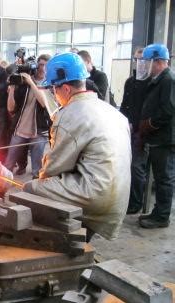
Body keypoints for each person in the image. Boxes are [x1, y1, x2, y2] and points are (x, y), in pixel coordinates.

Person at [23, 52, 131, 240]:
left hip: (97, 197)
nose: (53, 94)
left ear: (65, 88)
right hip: (119, 197)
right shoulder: (113, 112)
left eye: (54, 89)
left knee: (32, 188)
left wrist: (40, 182)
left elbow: (53, 168)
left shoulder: (69, 115)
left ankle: (56, 242)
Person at [135, 44, 175, 229]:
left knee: (164, 178)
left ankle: (162, 217)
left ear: (158, 62)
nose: (145, 67)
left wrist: (149, 124)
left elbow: (168, 109)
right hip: (158, 138)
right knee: (160, 177)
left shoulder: (168, 79)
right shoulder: (159, 79)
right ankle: (158, 212)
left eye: (147, 63)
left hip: (165, 139)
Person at [5, 54, 51, 178]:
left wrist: (31, 83)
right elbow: (11, 108)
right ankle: (2, 185)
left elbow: (44, 103)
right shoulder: (23, 82)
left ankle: (35, 190)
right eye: (40, 64)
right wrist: (12, 89)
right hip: (21, 127)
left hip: (39, 130)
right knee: (9, 162)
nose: (42, 68)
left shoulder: (50, 83)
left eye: (46, 65)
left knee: (37, 167)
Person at [119, 48, 150, 214]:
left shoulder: (151, 83)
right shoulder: (130, 81)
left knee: (136, 167)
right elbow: (125, 104)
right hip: (127, 129)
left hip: (142, 132)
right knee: (125, 165)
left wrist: (136, 125)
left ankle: (136, 202)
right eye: (137, 60)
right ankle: (128, 197)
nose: (139, 63)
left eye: (143, 60)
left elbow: (148, 109)